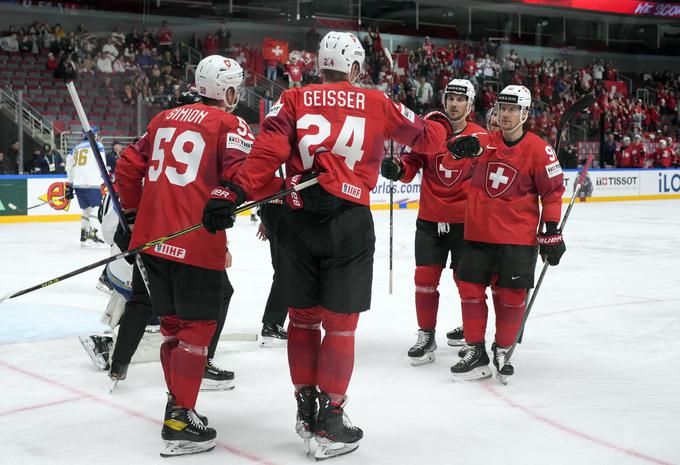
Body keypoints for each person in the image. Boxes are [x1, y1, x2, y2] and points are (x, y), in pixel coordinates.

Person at [200, 31, 452, 460]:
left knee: (301, 321)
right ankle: (331, 419)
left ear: (320, 65)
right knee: (340, 325)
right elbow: (428, 139)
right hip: (348, 223)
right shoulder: (376, 101)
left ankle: (305, 406)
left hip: (297, 220)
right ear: (354, 68)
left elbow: (266, 152)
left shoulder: (293, 99)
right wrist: (444, 127)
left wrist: (232, 191)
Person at [114, 55, 252, 457]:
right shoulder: (231, 124)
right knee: (196, 331)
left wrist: (135, 213)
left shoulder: (162, 119)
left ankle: (177, 400)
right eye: (235, 88)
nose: (237, 95)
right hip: (195, 241)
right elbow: (242, 174)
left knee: (173, 328)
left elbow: (127, 165)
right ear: (226, 91)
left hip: (152, 242)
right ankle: (179, 417)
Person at [448, 85, 565, 382]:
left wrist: (551, 230)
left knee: (512, 297)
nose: (507, 115)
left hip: (516, 239)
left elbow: (552, 194)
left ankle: (502, 347)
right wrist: (462, 147)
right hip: (478, 235)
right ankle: (476, 351)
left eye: (513, 109)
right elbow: (473, 146)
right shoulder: (485, 142)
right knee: (469, 290)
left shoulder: (540, 149)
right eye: (502, 108)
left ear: (525, 113)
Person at [380, 79, 488, 366]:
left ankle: (474, 337)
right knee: (424, 281)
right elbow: (410, 165)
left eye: (460, 99)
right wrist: (397, 169)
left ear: (470, 105)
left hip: (466, 222)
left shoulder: (481, 137)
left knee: (468, 283)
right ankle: (426, 336)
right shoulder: (429, 133)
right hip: (429, 219)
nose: (453, 104)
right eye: (450, 98)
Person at [256, 178, 288, 346]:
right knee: (287, 270)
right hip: (282, 211)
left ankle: (273, 322)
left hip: (273, 209)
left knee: (285, 270)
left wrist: (264, 216)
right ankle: (272, 323)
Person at [65, 126, 107, 246]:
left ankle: (84, 233)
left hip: (78, 183)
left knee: (86, 209)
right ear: (94, 134)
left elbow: (69, 168)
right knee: (96, 207)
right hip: (92, 182)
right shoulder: (97, 145)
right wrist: (106, 178)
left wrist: (70, 185)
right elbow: (102, 162)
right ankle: (95, 232)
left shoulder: (75, 148)